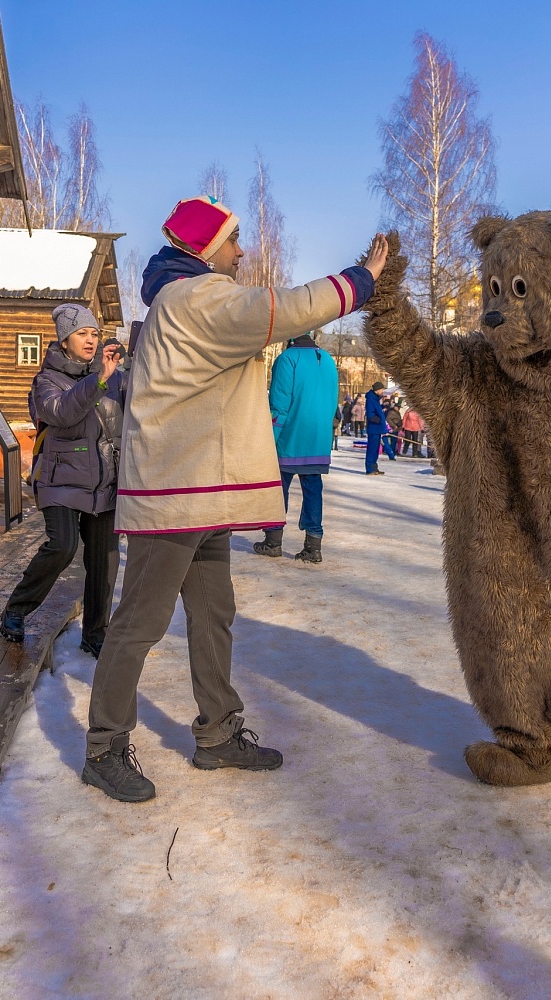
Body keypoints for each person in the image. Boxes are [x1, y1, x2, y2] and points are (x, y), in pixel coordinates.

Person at [79, 196, 387, 803]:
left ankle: (217, 733)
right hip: (176, 492)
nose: (241, 251)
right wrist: (363, 279)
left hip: (200, 491)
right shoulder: (196, 298)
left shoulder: (183, 299)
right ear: (202, 247)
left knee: (214, 613)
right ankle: (104, 746)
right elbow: (286, 309)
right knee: (140, 623)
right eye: (233, 240)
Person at [0, 303, 124, 656]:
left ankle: (95, 633)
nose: (90, 339)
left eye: (94, 333)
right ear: (64, 340)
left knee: (104, 560)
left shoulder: (114, 374)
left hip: (103, 479)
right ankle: (16, 609)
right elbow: (60, 413)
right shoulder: (47, 380)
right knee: (63, 546)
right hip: (61, 479)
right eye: (82, 333)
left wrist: (130, 364)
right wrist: (97, 380)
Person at [253, 331, 339, 563]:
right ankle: (314, 545)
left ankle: (273, 540)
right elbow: (333, 401)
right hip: (319, 438)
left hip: (290, 436)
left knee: (277, 488)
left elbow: (279, 404)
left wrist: (269, 439)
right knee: (313, 488)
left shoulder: (288, 358)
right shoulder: (328, 359)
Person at [364, 382, 388, 474]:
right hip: (374, 428)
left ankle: (374, 467)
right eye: (382, 389)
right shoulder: (371, 399)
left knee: (376, 450)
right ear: (377, 390)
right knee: (372, 449)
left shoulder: (376, 399)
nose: (383, 391)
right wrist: (378, 420)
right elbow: (370, 414)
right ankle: (370, 468)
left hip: (377, 428)